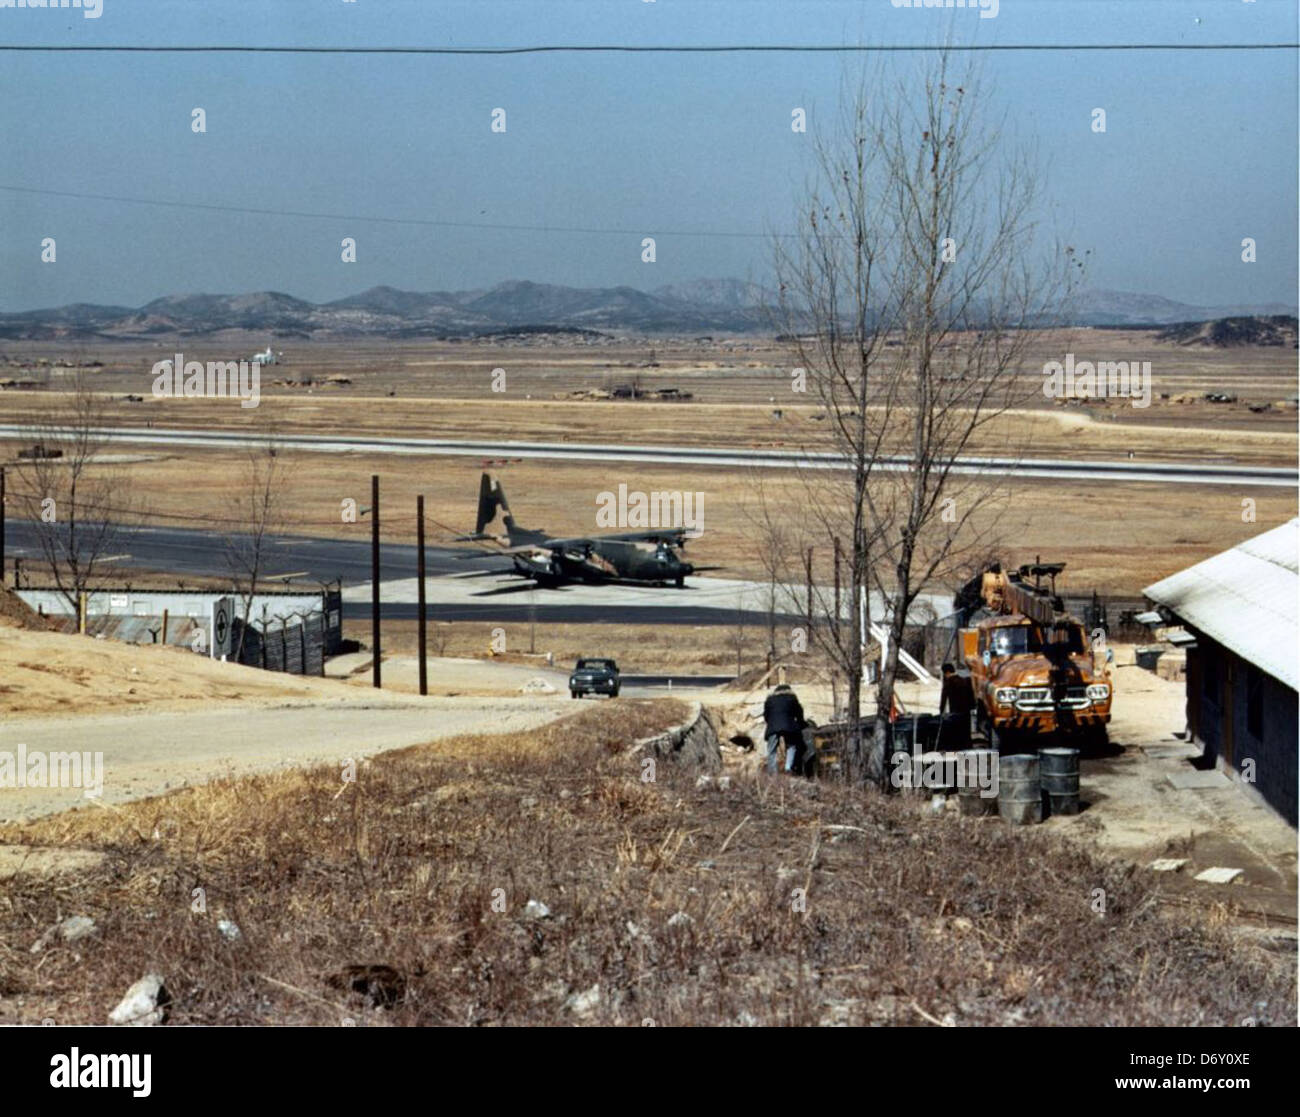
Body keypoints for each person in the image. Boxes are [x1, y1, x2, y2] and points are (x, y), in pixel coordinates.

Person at [763, 683, 807, 775]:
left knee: (772, 750)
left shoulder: (769, 700)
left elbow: (766, 716)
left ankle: (773, 773)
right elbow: (799, 713)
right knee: (791, 746)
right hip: (789, 726)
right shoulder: (792, 698)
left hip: (773, 727)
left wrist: (771, 723)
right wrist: (801, 723)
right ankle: (788, 768)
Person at [938, 662, 974, 749]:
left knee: (957, 733)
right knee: (966, 733)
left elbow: (943, 699)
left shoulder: (948, 683)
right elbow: (971, 695)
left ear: (946, 673)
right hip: (966, 712)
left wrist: (941, 712)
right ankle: (968, 748)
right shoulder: (965, 680)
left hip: (955, 712)